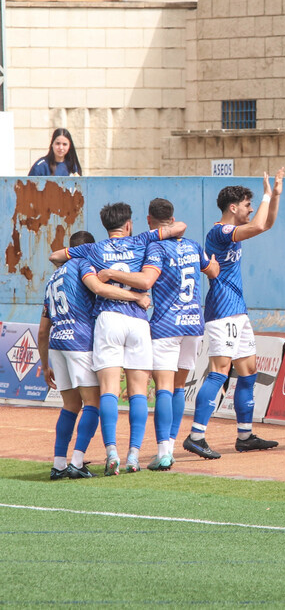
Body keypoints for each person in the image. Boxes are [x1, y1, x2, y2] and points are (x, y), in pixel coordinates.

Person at [49, 204, 187, 475]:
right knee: (138, 392)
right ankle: (133, 456)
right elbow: (180, 227)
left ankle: (110, 452)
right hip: (137, 320)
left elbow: (56, 256)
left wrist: (85, 265)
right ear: (129, 224)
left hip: (108, 320)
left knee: (109, 390)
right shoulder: (141, 240)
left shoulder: (92, 249)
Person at [98, 199, 220, 470]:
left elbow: (147, 281)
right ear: (173, 218)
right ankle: (171, 446)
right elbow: (212, 270)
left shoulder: (154, 246)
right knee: (178, 387)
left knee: (163, 388)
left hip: (167, 325)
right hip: (193, 324)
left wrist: (111, 273)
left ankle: (164, 451)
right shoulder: (192, 245)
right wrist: (212, 264)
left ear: (150, 220)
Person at [184, 170, 284, 460]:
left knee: (249, 371)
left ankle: (245, 435)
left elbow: (264, 224)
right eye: (247, 204)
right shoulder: (219, 231)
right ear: (233, 208)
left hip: (237, 311)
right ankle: (196, 436)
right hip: (222, 311)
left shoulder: (232, 232)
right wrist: (266, 194)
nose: (251, 209)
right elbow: (257, 225)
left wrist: (275, 196)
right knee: (218, 371)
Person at [40, 230, 151, 480]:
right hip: (79, 340)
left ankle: (58, 464)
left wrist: (44, 362)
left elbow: (42, 329)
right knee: (93, 402)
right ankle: (77, 462)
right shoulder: (84, 264)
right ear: (88, 249)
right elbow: (99, 288)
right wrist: (136, 297)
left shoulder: (53, 278)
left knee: (70, 404)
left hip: (58, 342)